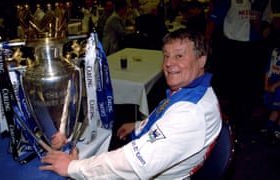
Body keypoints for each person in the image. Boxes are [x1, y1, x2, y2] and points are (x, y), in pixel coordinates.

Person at [39, 29, 222, 179]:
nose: (168, 63)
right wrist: (137, 125)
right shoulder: (195, 91)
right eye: (166, 56)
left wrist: (72, 168)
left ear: (201, 60)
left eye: (179, 56)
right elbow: (166, 118)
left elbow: (132, 164)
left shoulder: (189, 114)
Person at [205, 0, 273, 134]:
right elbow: (214, 18)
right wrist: (206, 40)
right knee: (233, 84)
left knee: (250, 84)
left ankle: (245, 119)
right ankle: (232, 120)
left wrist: (262, 27)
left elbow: (267, 23)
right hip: (232, 46)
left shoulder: (264, 2)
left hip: (253, 47)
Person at [262, 48, 280, 139]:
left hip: (277, 86)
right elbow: (267, 69)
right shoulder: (275, 52)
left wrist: (275, 86)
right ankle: (269, 128)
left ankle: (278, 130)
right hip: (273, 83)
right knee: (274, 108)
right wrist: (266, 84)